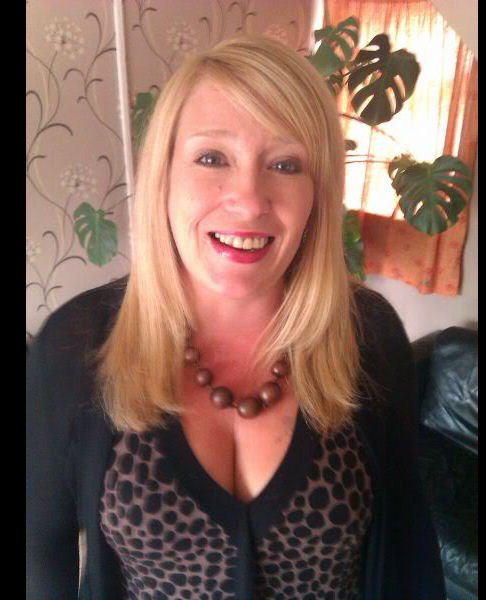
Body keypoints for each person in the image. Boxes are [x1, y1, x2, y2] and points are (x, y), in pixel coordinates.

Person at [26, 34, 445, 600]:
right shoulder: (74, 344)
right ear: (163, 176)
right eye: (212, 158)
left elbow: (409, 552)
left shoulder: (368, 335)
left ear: (317, 194)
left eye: (285, 164)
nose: (249, 200)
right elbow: (40, 555)